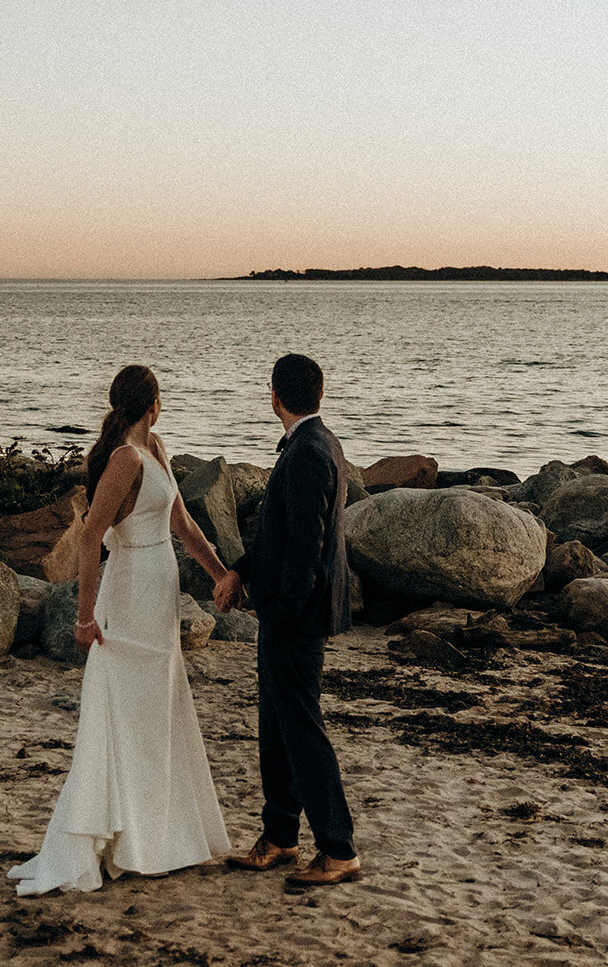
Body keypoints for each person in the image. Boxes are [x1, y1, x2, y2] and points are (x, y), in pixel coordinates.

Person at [10, 364, 236, 895]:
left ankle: (158, 838)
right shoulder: (124, 460)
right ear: (152, 402)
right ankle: (117, 840)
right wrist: (85, 617)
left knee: (158, 710)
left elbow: (182, 525)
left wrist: (221, 572)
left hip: (160, 596)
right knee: (124, 710)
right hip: (129, 590)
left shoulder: (156, 447)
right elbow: (91, 538)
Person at [215, 352, 360, 887]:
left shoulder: (307, 453)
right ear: (318, 394)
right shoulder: (318, 444)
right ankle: (280, 836)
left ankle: (339, 848)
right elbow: (278, 536)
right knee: (276, 726)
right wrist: (240, 571)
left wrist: (278, 609)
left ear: (274, 396)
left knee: (300, 728)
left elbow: (305, 549)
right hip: (294, 610)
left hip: (298, 616)